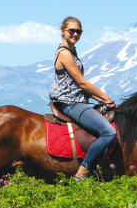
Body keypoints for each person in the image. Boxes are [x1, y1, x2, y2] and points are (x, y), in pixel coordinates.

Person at [49, 16, 117, 181]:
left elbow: (78, 85)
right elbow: (81, 82)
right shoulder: (65, 53)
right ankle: (82, 172)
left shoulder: (72, 52)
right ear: (63, 31)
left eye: (78, 31)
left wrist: (103, 100)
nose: (75, 34)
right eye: (71, 31)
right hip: (70, 103)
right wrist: (105, 97)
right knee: (109, 132)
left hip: (77, 98)